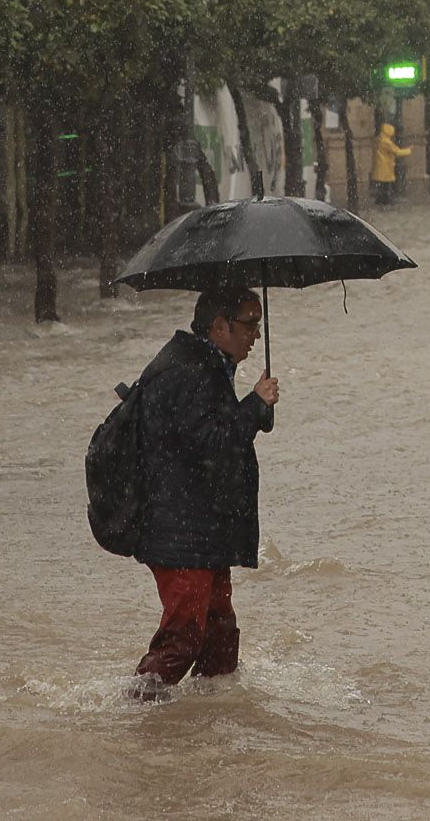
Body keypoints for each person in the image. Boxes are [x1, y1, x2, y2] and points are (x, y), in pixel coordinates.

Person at [132, 284, 278, 694]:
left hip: (200, 526)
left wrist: (256, 409)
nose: (255, 336)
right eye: (249, 324)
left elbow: (214, 434)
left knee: (218, 633)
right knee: (183, 637)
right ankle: (133, 713)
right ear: (218, 326)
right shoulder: (192, 371)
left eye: (258, 327)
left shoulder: (204, 363)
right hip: (180, 530)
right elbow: (210, 444)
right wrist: (253, 404)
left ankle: (209, 716)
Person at [371, 122, 410, 207]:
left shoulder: (379, 139)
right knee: (386, 185)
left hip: (380, 166)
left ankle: (381, 200)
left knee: (382, 184)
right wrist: (408, 151)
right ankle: (386, 200)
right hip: (386, 166)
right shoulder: (386, 142)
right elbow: (396, 151)